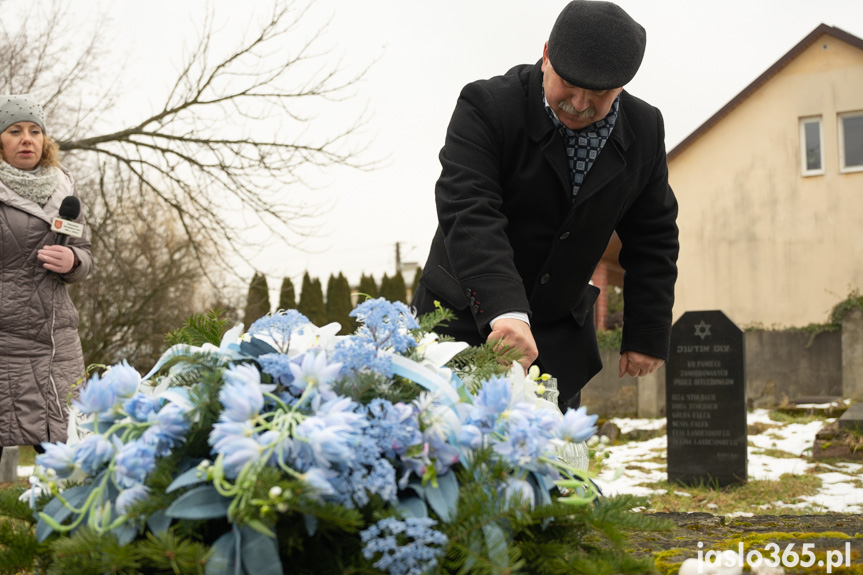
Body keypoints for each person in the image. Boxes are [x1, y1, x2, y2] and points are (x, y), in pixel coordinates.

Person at [412, 0, 679, 408]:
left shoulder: (645, 129)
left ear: (622, 86)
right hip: (460, 320)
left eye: (600, 93)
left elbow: (653, 233)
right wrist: (506, 311)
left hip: (557, 336)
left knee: (548, 465)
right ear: (546, 54)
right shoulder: (487, 106)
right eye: (568, 84)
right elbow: (469, 209)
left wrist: (647, 330)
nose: (579, 102)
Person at [0, 94, 93, 464]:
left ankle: (68, 523)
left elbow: (86, 255)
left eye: (35, 131)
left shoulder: (64, 190)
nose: (27, 139)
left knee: (70, 463)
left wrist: (72, 259)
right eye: (15, 130)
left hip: (55, 343)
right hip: (3, 342)